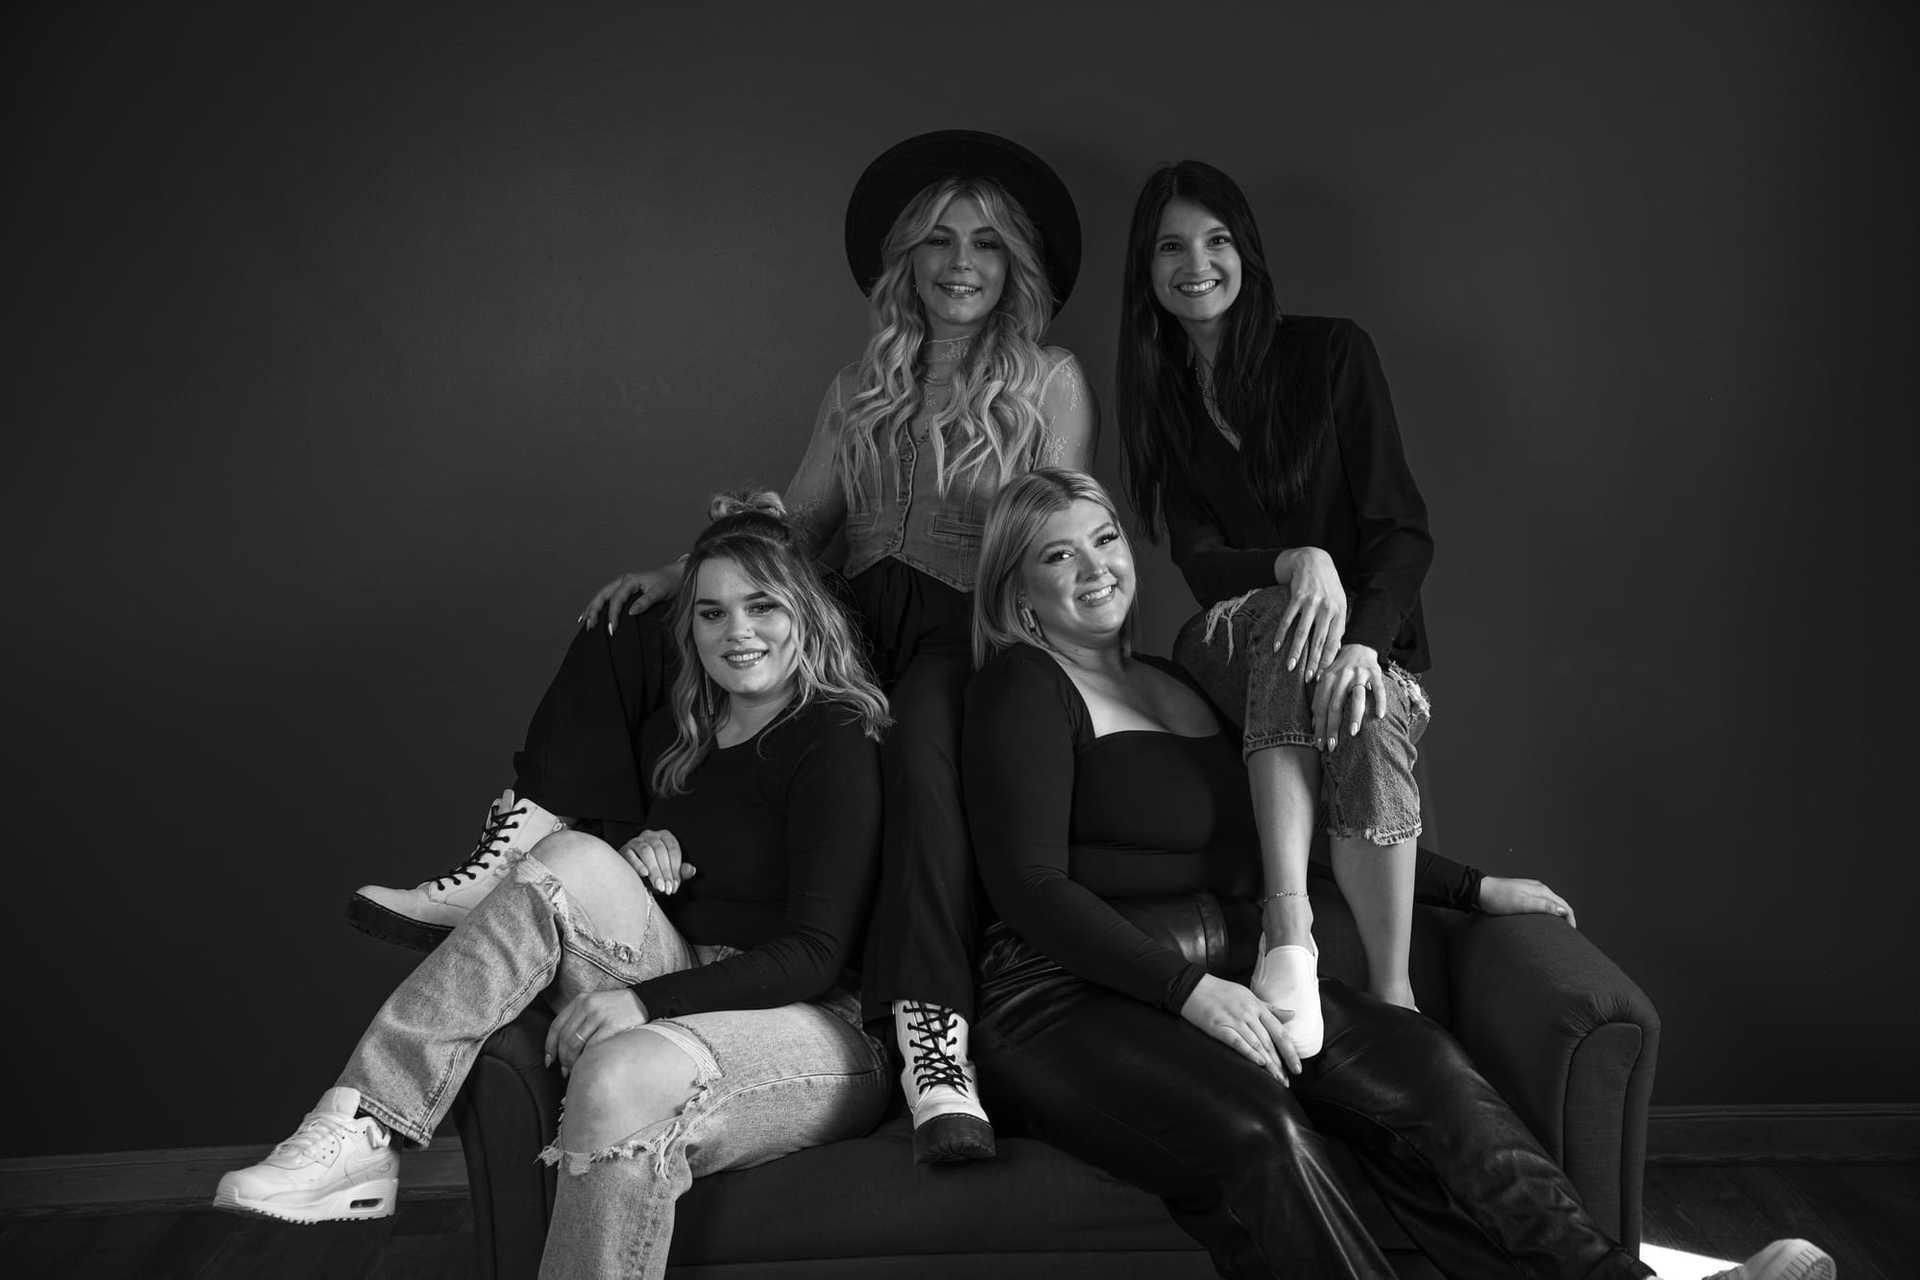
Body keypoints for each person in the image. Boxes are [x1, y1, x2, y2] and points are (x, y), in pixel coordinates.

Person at [348, 130, 1097, 1163]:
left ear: (1014, 263)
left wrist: (1049, 661)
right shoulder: (861, 382)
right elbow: (803, 519)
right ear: (906, 264)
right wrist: (681, 570)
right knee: (634, 619)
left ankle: (932, 1038)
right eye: (935, 241)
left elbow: (1055, 529)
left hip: (961, 623)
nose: (959, 262)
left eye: (984, 243)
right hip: (851, 607)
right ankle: (532, 843)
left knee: (919, 730)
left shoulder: (1050, 377)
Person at [961, 468, 1832, 1280]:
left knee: (1424, 1068)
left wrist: (1474, 889)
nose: (1095, 567)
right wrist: (1186, 990)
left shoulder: (1178, 679)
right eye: (1057, 554)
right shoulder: (1023, 685)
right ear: (1016, 591)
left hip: (1236, 973)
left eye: (1106, 539)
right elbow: (1029, 889)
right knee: (1263, 1133)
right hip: (1068, 997)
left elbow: (1304, 829)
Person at [219, 495, 894, 1279]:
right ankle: (365, 1125)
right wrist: (642, 860)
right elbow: (704, 885)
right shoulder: (690, 738)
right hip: (697, 974)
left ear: (807, 612)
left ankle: (378, 1120)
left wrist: (643, 1003)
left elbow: (814, 953)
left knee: (613, 1077)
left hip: (815, 1024)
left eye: (762, 606)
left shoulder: (837, 734)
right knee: (571, 851)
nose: (736, 632)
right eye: (711, 613)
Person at [1115, 158, 1462, 1058]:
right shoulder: (1161, 401)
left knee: (1368, 714)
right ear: (1147, 272)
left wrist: (1362, 642)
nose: (1198, 263)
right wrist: (1296, 559)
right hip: (1229, 639)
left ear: (1248, 253)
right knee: (1276, 611)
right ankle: (1290, 928)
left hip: (1354, 647)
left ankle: (1393, 999)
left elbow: (1402, 529)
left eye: (1218, 240)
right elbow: (1198, 562)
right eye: (1171, 247)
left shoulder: (1331, 353)